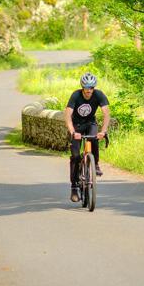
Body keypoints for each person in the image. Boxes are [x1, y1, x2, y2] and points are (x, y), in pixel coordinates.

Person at [64, 72, 109, 202]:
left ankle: (96, 164)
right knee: (76, 157)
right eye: (87, 88)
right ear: (82, 87)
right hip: (76, 126)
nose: (89, 90)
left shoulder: (99, 95)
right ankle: (74, 187)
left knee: (94, 138)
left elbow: (106, 114)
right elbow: (67, 115)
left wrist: (103, 131)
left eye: (91, 88)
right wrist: (73, 132)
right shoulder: (76, 95)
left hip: (90, 123)